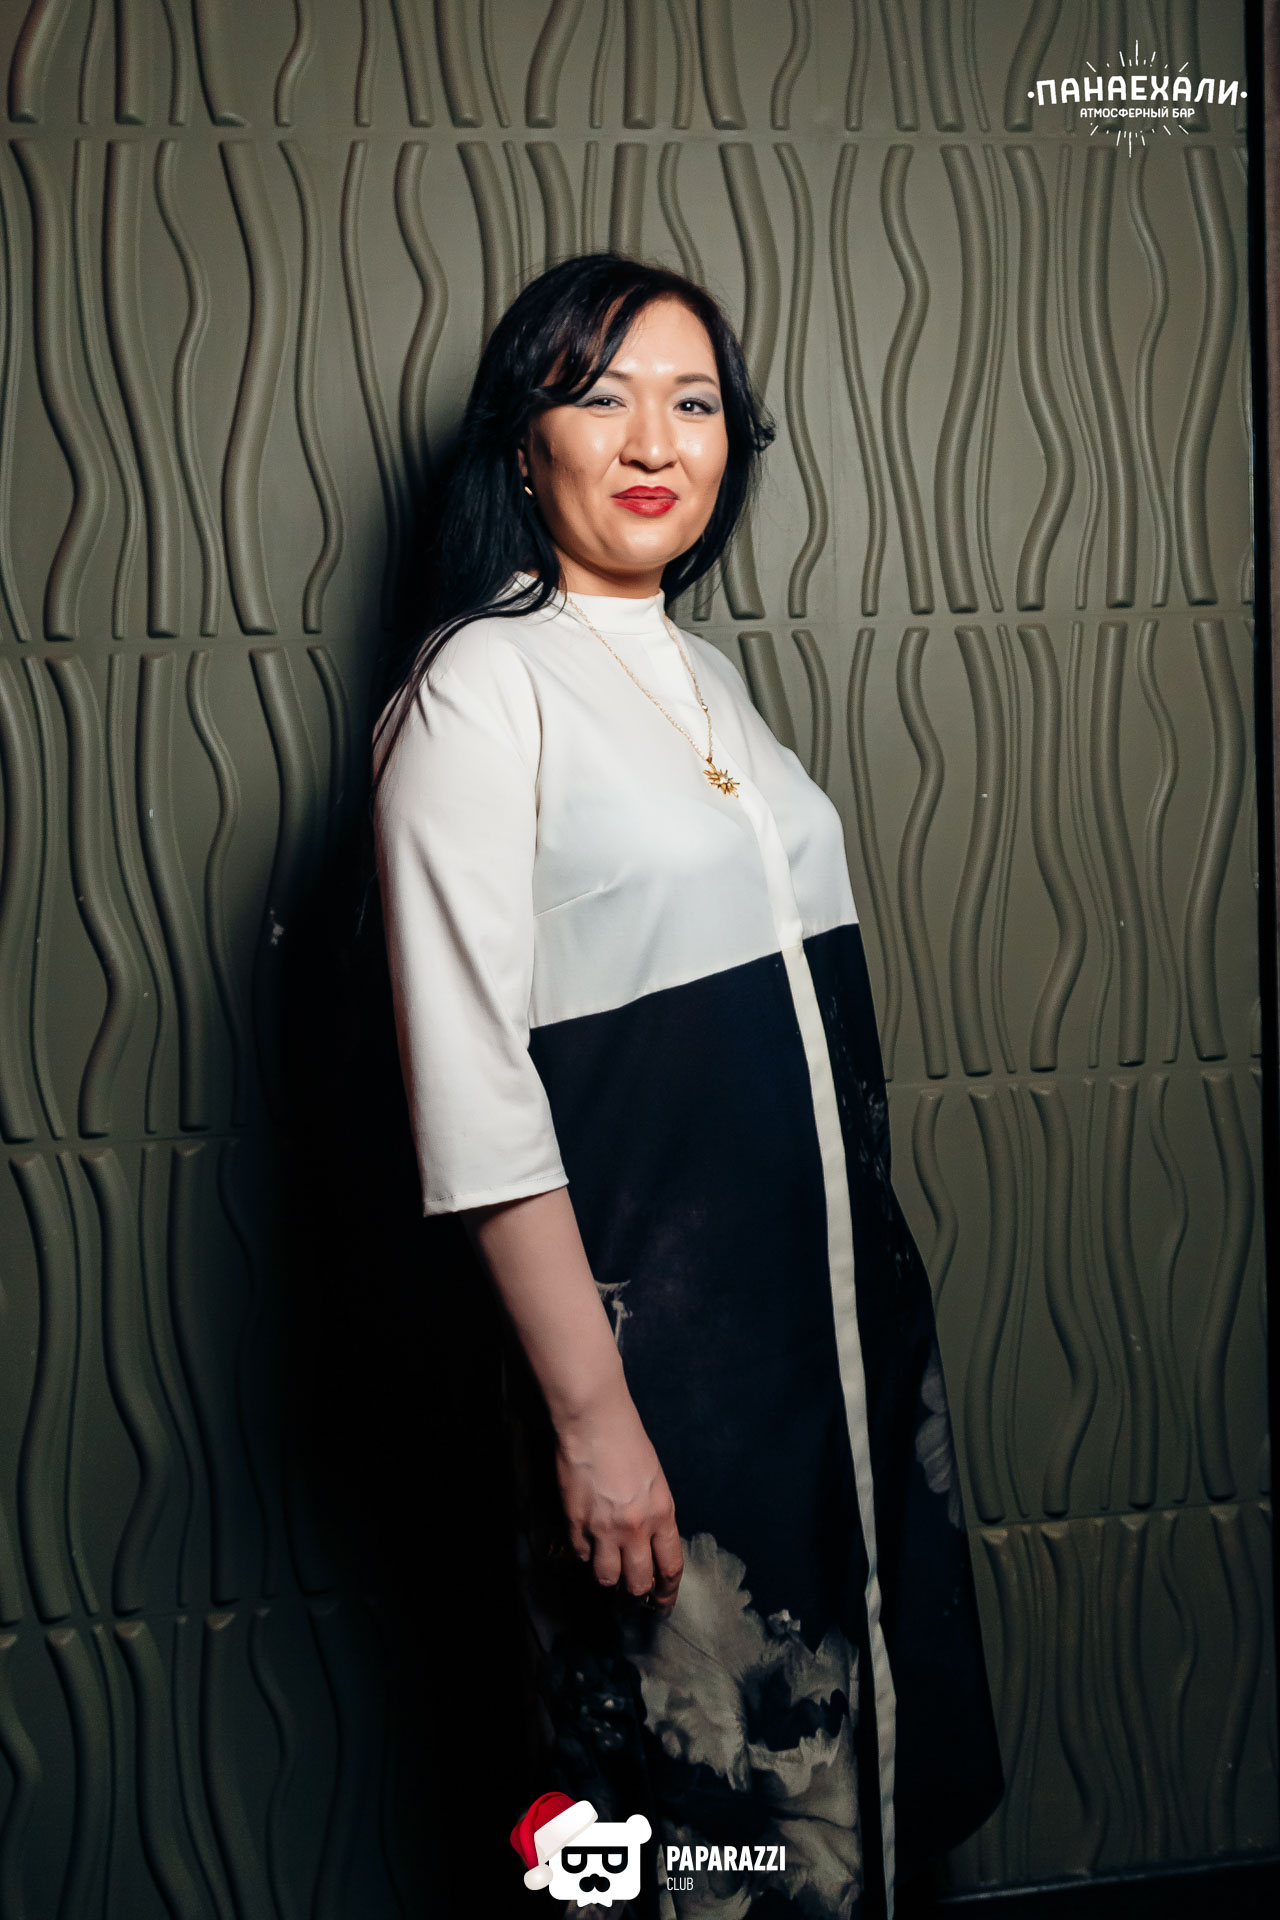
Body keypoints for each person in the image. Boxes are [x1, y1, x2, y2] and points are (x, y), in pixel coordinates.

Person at [370, 252, 1003, 1919]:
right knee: (703, 1839)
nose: (655, 439)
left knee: (864, 1804)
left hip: (837, 1358)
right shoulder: (478, 689)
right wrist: (595, 1427)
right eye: (603, 396)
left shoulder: (707, 675)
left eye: (696, 401)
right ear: (525, 444)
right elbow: (474, 1096)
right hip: (664, 1389)